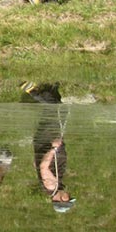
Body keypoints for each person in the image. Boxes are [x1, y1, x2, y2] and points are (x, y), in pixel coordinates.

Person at [27, 82, 76, 212]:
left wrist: (53, 148)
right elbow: (36, 165)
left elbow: (43, 166)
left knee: (56, 111)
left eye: (68, 198)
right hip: (45, 142)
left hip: (47, 142)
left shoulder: (51, 186)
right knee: (58, 113)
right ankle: (51, 89)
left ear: (61, 200)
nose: (69, 195)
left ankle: (33, 91)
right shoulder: (54, 186)